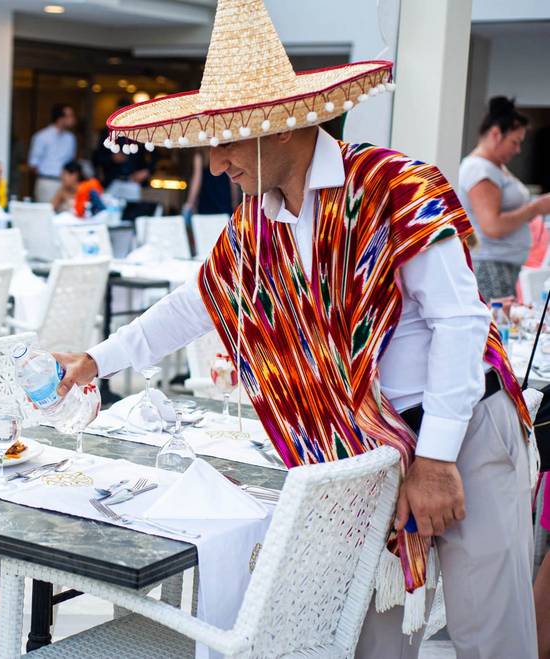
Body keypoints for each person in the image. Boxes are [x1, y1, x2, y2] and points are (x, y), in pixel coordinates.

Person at [53, 1, 536, 656]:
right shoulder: (256, 225)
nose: (215, 164)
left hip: (463, 430)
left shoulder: (396, 186)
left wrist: (436, 459)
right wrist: (95, 360)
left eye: (225, 142)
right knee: (370, 637)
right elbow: (195, 305)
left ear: (277, 126)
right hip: (361, 452)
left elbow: (460, 321)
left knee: (491, 638)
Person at [458, 96, 550, 301]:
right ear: (496, 134)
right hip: (490, 266)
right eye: (514, 142)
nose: (518, 150)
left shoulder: (495, 168)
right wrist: (536, 208)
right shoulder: (479, 169)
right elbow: (492, 226)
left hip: (502, 264)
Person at [29, 104, 76, 203]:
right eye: (69, 116)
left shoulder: (70, 138)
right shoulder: (42, 136)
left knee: (66, 212)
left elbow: (71, 162)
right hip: (47, 181)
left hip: (65, 184)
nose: (73, 119)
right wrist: (45, 175)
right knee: (46, 211)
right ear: (60, 119)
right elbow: (33, 164)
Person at [183, 149, 236, 218]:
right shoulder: (224, 152)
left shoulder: (200, 155)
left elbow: (197, 180)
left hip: (206, 202)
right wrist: (234, 202)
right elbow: (232, 180)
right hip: (224, 200)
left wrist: (190, 203)